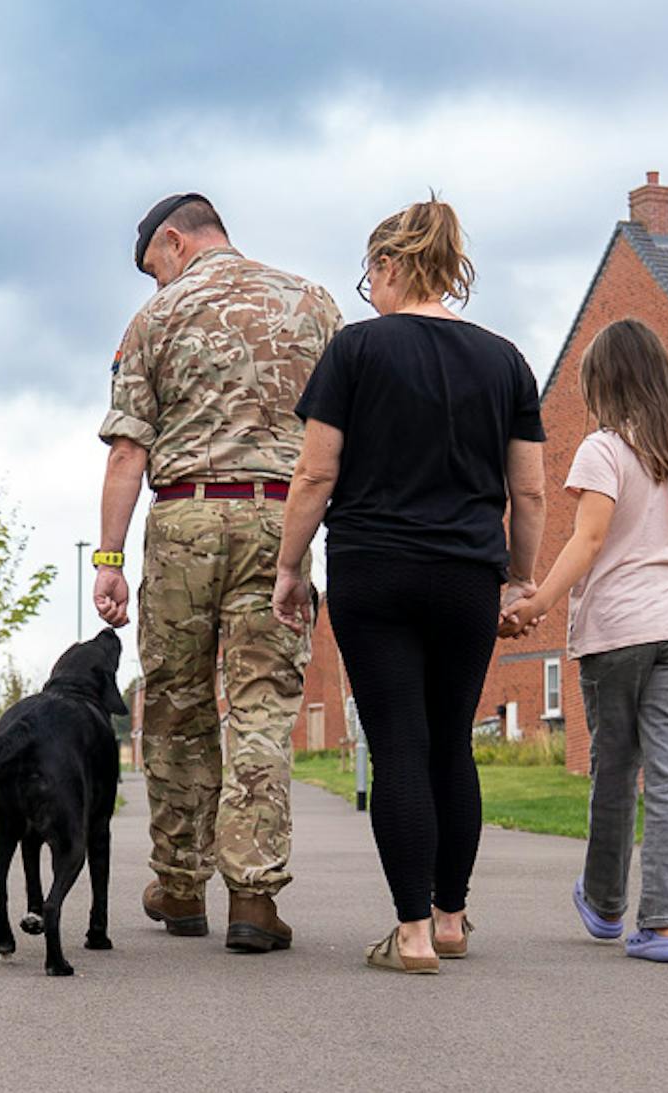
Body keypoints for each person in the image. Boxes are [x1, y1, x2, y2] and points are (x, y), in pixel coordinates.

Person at [274, 198, 547, 975]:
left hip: (375, 569)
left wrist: (290, 568)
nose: (371, 291)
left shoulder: (356, 351)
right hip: (467, 573)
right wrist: (518, 579)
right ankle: (451, 917)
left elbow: (315, 472)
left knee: (397, 741)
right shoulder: (506, 361)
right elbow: (527, 493)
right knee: (450, 742)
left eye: (371, 277)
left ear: (390, 266)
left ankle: (411, 934)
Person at [96, 193, 341, 953]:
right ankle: (254, 897)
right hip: (282, 519)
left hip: (184, 521)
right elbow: (341, 437)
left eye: (154, 268)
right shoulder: (314, 304)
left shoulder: (155, 320)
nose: (155, 283)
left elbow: (127, 451)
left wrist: (107, 559)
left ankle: (178, 884)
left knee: (174, 704)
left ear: (174, 240)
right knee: (263, 707)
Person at [500, 319, 668, 964]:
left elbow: (590, 539)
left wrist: (538, 601)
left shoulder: (603, 449)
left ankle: (606, 907)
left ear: (604, 385)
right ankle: (666, 925)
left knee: (614, 769)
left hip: (618, 632)